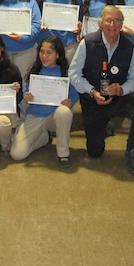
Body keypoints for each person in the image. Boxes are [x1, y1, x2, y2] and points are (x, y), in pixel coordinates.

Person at [69, 6, 134, 173]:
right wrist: (92, 91)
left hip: (118, 98)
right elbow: (74, 74)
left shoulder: (129, 47)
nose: (112, 24)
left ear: (121, 24)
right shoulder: (87, 43)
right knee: (95, 152)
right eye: (108, 20)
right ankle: (103, 125)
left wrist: (122, 89)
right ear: (101, 23)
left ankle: (132, 151)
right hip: (92, 101)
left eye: (117, 20)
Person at [11, 36, 79, 168]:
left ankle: (63, 153)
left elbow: (75, 94)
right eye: (42, 52)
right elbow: (26, 91)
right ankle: (44, 138)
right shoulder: (35, 71)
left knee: (64, 112)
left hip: (54, 117)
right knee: (17, 154)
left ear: (57, 54)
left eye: (49, 53)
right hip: (35, 115)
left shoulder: (66, 73)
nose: (44, 56)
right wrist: (26, 96)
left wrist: (69, 102)